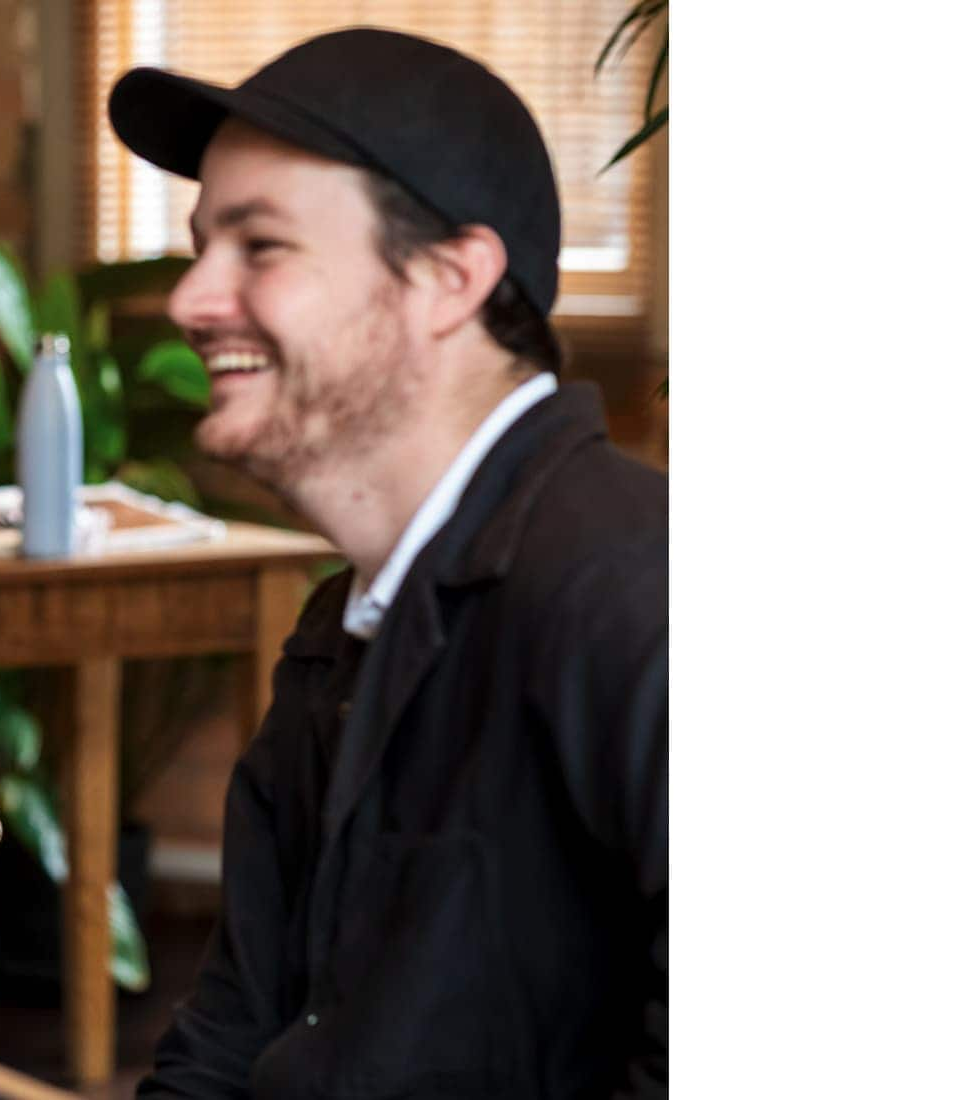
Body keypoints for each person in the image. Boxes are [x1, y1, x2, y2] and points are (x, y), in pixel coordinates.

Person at [108, 29, 666, 1099]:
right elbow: (229, 1029)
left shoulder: (636, 593)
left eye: (259, 246)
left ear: (448, 278)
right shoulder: (340, 624)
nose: (189, 300)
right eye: (200, 246)